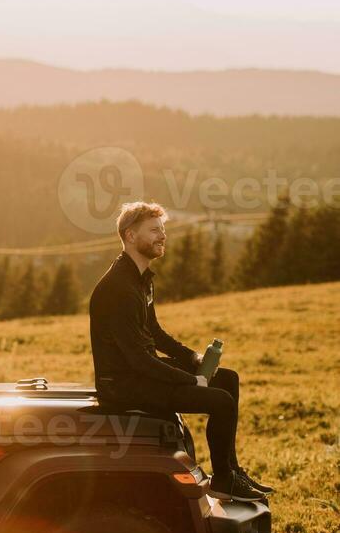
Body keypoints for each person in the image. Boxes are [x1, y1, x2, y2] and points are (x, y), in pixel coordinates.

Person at [89, 201, 273, 502]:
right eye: (153, 230)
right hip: (123, 385)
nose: (162, 236)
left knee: (227, 379)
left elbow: (155, 333)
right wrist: (188, 380)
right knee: (221, 401)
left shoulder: (141, 279)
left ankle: (231, 472)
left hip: (140, 371)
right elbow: (137, 359)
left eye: (163, 229)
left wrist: (192, 359)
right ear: (130, 236)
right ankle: (224, 480)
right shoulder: (119, 287)